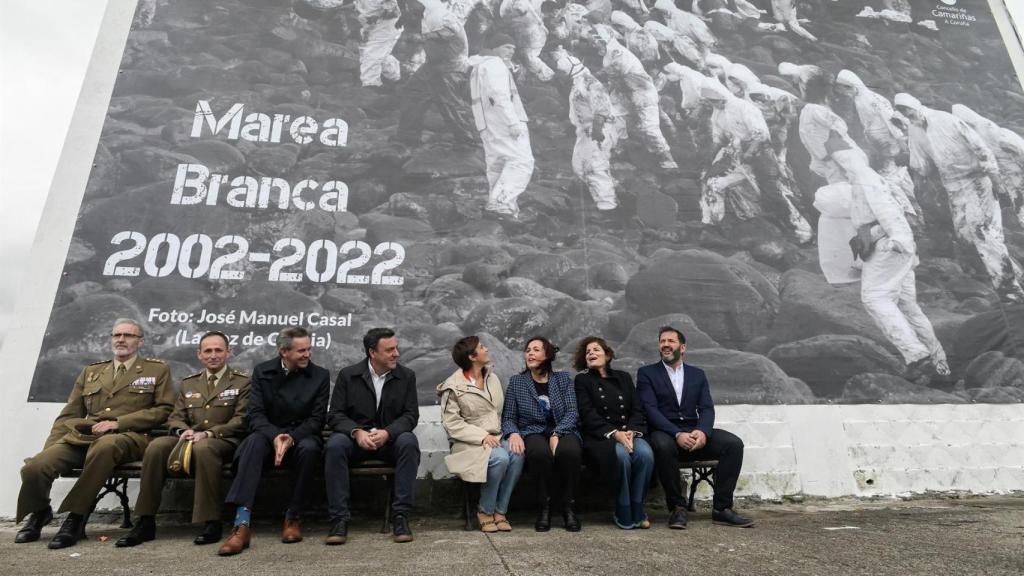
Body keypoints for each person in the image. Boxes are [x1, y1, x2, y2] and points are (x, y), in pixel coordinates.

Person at [15, 318, 173, 549]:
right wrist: (51, 449)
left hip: (131, 437)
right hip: (86, 438)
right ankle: (40, 512)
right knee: (35, 467)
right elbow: (69, 415)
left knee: (106, 446)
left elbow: (163, 410)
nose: (121, 339)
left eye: (128, 335)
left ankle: (76, 518)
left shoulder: (156, 370)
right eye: (116, 335)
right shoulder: (92, 371)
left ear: (140, 342)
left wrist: (118, 423)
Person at [116, 331, 251, 547]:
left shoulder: (242, 382)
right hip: (189, 439)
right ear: (199, 354)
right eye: (208, 351)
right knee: (157, 446)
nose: (213, 355)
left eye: (218, 350)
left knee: (204, 448)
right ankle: (145, 521)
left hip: (224, 440)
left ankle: (211, 521)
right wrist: (183, 431)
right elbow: (175, 417)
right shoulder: (189, 383)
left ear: (229, 352)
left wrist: (209, 433)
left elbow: (242, 420)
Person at [894, 92, 1024, 302]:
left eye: (907, 109)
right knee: (965, 236)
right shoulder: (915, 130)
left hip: (977, 180)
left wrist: (995, 179)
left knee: (983, 232)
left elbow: (981, 148)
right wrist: (916, 177)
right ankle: (1015, 274)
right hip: (953, 186)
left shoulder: (946, 120)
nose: (907, 114)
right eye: (902, 112)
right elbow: (922, 165)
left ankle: (1010, 291)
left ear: (915, 105)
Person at [217, 327, 330, 556]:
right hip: (269, 435)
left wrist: (292, 438)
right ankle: (241, 524)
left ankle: (293, 517)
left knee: (310, 449)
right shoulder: (262, 371)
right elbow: (255, 414)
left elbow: (317, 419)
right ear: (283, 352)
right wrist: (275, 436)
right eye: (301, 351)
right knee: (252, 444)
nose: (307, 354)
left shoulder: (320, 375)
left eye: (309, 349)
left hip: (301, 436)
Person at [636, 326, 753, 529]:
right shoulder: (647, 373)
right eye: (662, 341)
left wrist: (703, 432)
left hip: (694, 432)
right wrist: (677, 433)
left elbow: (706, 408)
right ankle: (678, 508)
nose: (665, 345)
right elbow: (650, 410)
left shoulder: (697, 374)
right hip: (664, 433)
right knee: (662, 445)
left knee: (733, 444)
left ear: (682, 347)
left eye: (671, 341)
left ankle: (722, 509)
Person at [325, 328, 420, 544]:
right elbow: (335, 414)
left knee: (409, 441)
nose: (396, 354)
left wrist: (388, 432)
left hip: (390, 441)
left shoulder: (406, 376)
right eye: (390, 350)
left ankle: (400, 516)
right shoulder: (348, 375)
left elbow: (410, 415)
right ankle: (339, 520)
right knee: (335, 445)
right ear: (372, 352)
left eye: (396, 348)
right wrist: (356, 432)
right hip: (356, 441)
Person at [438, 336, 524, 533]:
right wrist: (482, 436)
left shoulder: (492, 378)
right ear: (472, 356)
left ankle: (500, 511)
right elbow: (452, 423)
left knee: (517, 453)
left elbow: (501, 413)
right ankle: (485, 511)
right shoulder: (453, 386)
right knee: (500, 458)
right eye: (482, 347)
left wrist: (511, 434)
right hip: (469, 442)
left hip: (497, 437)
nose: (487, 349)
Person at [501, 336, 582, 532]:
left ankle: (568, 507)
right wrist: (513, 433)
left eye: (536, 350)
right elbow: (508, 417)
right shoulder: (517, 382)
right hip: (532, 431)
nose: (530, 353)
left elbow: (573, 412)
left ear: (547, 355)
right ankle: (544, 507)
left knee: (570, 452)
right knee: (539, 454)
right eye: (528, 350)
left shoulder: (563, 379)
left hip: (563, 429)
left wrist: (557, 433)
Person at [572, 336, 653, 530]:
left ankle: (637, 507)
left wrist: (631, 431)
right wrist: (615, 434)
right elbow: (587, 414)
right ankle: (623, 508)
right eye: (588, 352)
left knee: (645, 454)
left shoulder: (624, 377)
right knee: (621, 456)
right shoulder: (582, 380)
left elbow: (637, 409)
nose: (591, 353)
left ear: (607, 355)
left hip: (629, 432)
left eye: (596, 350)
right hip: (601, 436)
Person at [551, 46, 625, 219]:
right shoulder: (577, 82)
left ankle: (608, 208)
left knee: (594, 166)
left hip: (597, 129)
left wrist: (598, 129)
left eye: (561, 72)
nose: (560, 75)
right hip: (584, 131)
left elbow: (602, 107)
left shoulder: (590, 83)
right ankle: (614, 191)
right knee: (579, 166)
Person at [469, 33, 535, 220]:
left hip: (487, 124)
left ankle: (500, 207)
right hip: (504, 123)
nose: (511, 51)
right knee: (522, 162)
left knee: (497, 166)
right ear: (494, 47)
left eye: (513, 48)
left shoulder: (479, 65)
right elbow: (499, 95)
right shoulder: (495, 64)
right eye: (507, 47)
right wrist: (513, 122)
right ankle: (501, 205)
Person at [395, 0, 478, 145]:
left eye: (412, 3)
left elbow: (450, 31)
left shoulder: (440, 14)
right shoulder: (425, 14)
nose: (409, 6)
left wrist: (423, 37)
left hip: (451, 66)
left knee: (450, 104)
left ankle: (467, 141)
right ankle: (408, 136)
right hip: (433, 64)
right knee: (412, 92)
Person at [952, 103, 1024, 228]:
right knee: (1018, 200)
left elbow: (1015, 148)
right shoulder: (970, 134)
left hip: (1015, 168)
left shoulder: (988, 128)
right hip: (1006, 173)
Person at [355, 0, 404, 87]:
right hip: (370, 25)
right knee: (375, 53)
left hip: (385, 27)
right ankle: (394, 76)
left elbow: (393, 12)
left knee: (371, 54)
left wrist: (375, 17)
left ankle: (371, 84)